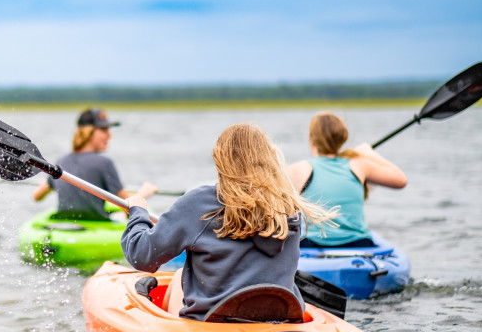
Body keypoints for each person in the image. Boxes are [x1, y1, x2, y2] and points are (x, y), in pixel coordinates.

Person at [121, 123, 335, 321]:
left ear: (220, 161)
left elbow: (142, 257)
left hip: (212, 324)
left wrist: (138, 212)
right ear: (270, 159)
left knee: (178, 277)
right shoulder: (288, 208)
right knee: (178, 276)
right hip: (278, 320)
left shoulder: (199, 204)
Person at [288, 112, 407, 248]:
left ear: (311, 140)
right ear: (342, 139)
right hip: (358, 243)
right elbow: (401, 180)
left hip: (313, 244)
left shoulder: (299, 168)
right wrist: (370, 154)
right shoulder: (359, 164)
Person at [32, 108, 157, 220]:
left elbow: (37, 196)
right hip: (93, 226)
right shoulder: (104, 163)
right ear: (88, 132)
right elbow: (130, 206)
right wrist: (146, 191)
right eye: (103, 130)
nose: (109, 135)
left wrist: (48, 183)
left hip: (63, 225)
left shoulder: (61, 162)